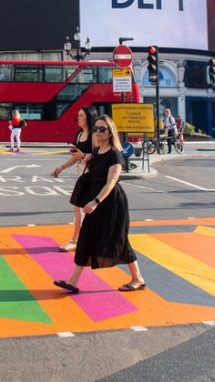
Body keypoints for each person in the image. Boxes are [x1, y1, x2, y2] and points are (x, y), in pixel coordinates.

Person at [53, 114, 146, 294]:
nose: (98, 132)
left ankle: (138, 278)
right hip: (95, 200)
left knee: (119, 240)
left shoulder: (115, 155)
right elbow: (90, 157)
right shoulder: (97, 152)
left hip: (111, 202)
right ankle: (73, 281)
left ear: (110, 132)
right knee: (86, 236)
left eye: (103, 129)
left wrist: (95, 202)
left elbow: (111, 183)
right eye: (96, 128)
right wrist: (84, 157)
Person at [51, 105, 99, 252]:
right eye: (78, 115)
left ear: (89, 117)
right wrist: (61, 168)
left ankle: (77, 241)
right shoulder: (79, 134)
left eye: (81, 116)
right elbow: (75, 157)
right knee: (79, 208)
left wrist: (83, 156)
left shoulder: (94, 135)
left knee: (82, 208)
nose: (78, 118)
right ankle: (80, 240)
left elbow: (98, 157)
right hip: (81, 174)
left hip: (93, 175)